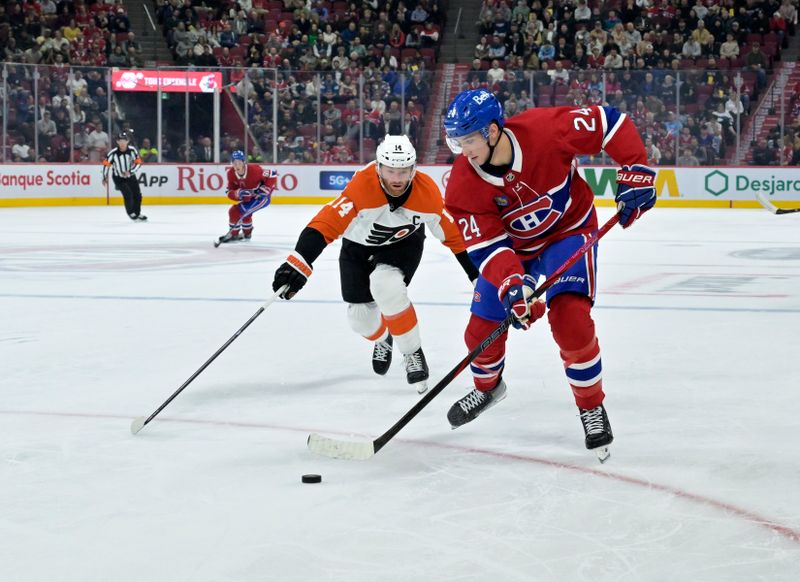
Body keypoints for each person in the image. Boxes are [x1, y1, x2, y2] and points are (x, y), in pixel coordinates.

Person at [441, 89, 656, 460]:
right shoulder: (462, 184)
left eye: (470, 140)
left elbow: (608, 123)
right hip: (512, 250)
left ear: (493, 131)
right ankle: (488, 387)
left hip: (568, 232)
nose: (464, 150)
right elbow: (489, 248)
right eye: (457, 141)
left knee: (570, 320)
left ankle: (590, 406)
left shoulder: (545, 129)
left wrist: (635, 168)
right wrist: (514, 287)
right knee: (479, 333)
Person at [271, 135, 479, 394]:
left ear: (413, 169)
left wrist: (476, 275)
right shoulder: (361, 187)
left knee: (386, 286)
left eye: (404, 171)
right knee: (360, 320)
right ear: (379, 167)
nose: (397, 178)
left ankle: (412, 351)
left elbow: (454, 236)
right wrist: (299, 263)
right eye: (391, 170)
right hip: (357, 247)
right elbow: (326, 222)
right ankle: (384, 338)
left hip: (402, 245)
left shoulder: (427, 194)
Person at [215, 150, 276, 245]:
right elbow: (230, 191)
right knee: (245, 213)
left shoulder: (255, 170)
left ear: (244, 162)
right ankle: (247, 234)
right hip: (249, 199)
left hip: (261, 199)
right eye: (234, 162)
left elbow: (272, 174)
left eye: (239, 162)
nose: (237, 165)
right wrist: (237, 194)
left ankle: (234, 235)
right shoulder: (231, 174)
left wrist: (265, 189)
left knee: (234, 211)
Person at [102, 131, 146, 221]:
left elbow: (138, 163)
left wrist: (130, 171)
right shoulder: (113, 153)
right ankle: (130, 213)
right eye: (120, 141)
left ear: (128, 141)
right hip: (118, 178)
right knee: (128, 194)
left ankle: (137, 213)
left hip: (130, 176)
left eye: (124, 140)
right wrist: (104, 177)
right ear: (117, 142)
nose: (122, 143)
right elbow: (106, 165)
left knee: (137, 195)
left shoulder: (132, 150)